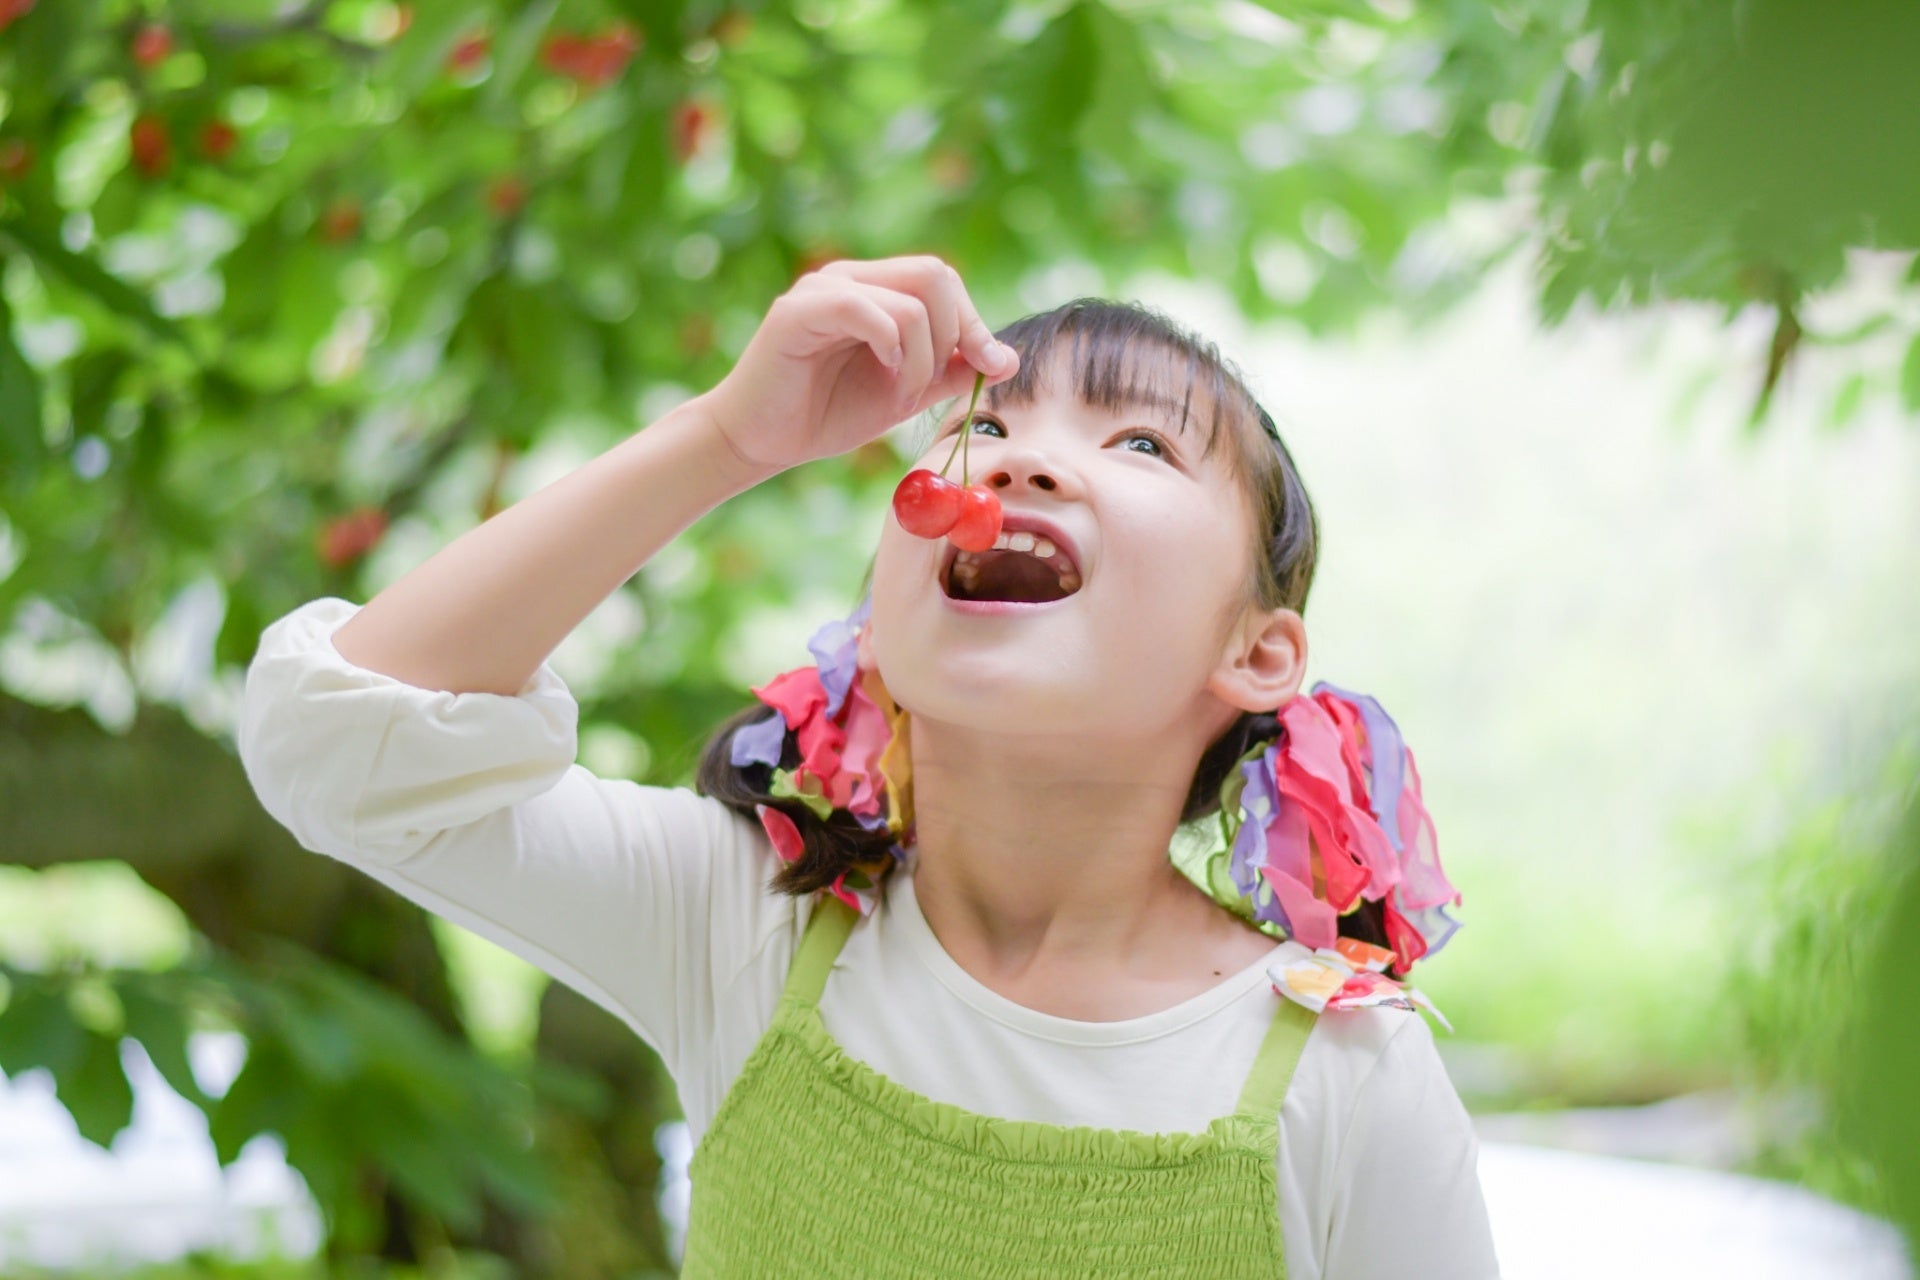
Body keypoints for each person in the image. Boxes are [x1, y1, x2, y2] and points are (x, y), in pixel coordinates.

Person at [238, 254, 1501, 1277]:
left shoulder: (1344, 1077)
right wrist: (729, 436)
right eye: (986, 421)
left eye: (1141, 446)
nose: (1009, 460)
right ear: (874, 630)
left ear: (1261, 652)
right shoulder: (745, 926)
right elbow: (340, 740)